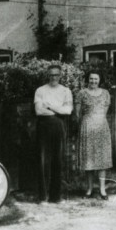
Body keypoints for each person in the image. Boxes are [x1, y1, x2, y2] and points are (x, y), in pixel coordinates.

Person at [34, 64, 73, 203]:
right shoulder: (40, 90)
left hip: (59, 126)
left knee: (58, 160)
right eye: (51, 74)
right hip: (44, 126)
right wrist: (58, 109)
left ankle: (56, 197)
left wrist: (50, 106)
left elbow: (68, 111)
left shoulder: (66, 91)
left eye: (56, 75)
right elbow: (39, 111)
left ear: (60, 76)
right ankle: (43, 197)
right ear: (48, 75)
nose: (54, 77)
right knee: (43, 160)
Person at [77, 71, 113, 199]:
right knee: (89, 159)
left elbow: (105, 110)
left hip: (102, 128)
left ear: (99, 80)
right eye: (91, 79)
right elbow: (78, 113)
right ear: (88, 80)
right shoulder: (81, 93)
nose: (93, 81)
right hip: (87, 127)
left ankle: (102, 190)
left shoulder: (106, 93)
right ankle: (89, 189)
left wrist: (98, 119)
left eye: (96, 79)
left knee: (102, 159)